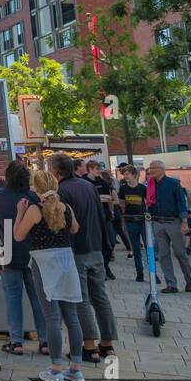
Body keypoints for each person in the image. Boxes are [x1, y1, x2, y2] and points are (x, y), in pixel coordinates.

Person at [15, 169, 86, 381]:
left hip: (43, 263)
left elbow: (18, 236)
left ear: (36, 189)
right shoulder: (66, 208)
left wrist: (19, 212)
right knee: (71, 316)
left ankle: (55, 368)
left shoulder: (35, 210)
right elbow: (75, 229)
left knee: (52, 317)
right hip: (66, 261)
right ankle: (75, 368)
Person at [51, 152, 117, 363]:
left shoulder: (62, 191)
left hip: (76, 250)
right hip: (95, 247)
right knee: (100, 297)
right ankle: (107, 343)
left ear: (55, 170)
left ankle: (89, 346)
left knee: (81, 299)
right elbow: (101, 215)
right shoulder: (88, 186)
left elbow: (61, 226)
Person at [0, 159, 47, 356]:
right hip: (34, 255)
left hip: (8, 254)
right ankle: (45, 340)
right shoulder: (34, 197)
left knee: (13, 298)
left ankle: (16, 341)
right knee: (38, 298)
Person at [146, 159, 191, 294]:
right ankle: (171, 284)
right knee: (163, 254)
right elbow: (149, 203)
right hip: (158, 222)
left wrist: (184, 221)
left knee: (180, 253)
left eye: (153, 168)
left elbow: (181, 203)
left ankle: (190, 280)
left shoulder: (173, 184)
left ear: (161, 169)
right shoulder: (150, 185)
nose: (151, 171)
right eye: (150, 168)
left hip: (173, 222)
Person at [117, 164, 149, 282]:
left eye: (127, 174)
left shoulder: (142, 188)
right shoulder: (123, 188)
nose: (125, 176)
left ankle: (152, 272)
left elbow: (147, 202)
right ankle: (139, 272)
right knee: (135, 248)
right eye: (124, 174)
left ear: (134, 175)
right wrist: (124, 216)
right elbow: (121, 203)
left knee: (148, 246)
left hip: (142, 220)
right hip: (130, 220)